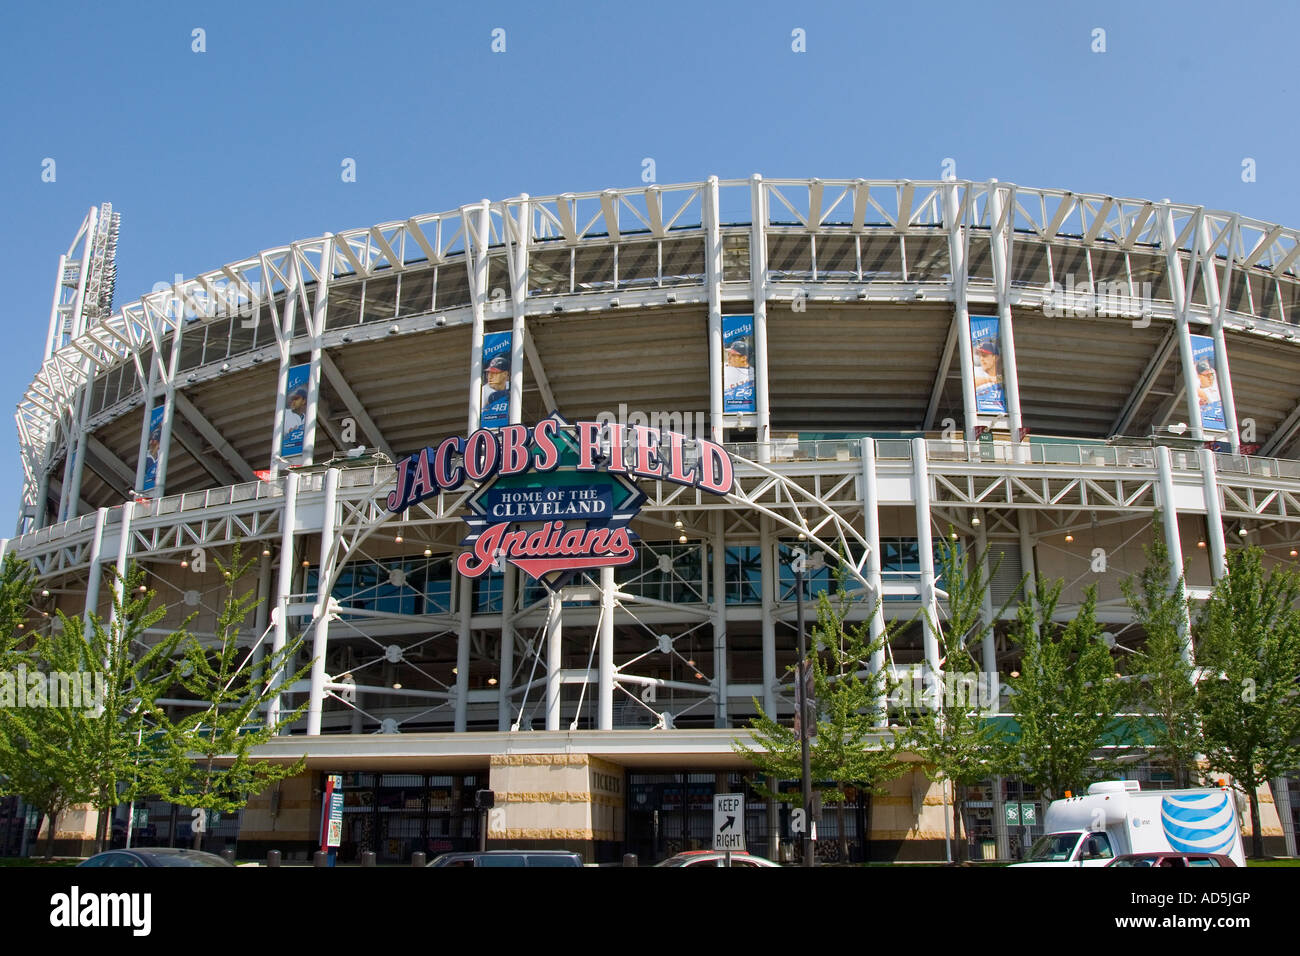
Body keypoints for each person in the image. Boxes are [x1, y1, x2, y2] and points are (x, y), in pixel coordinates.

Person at [724, 336, 753, 409]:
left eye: (733, 355)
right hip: (727, 407)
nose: (729, 358)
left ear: (744, 358)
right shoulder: (723, 369)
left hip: (747, 408)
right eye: (729, 354)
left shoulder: (754, 373)